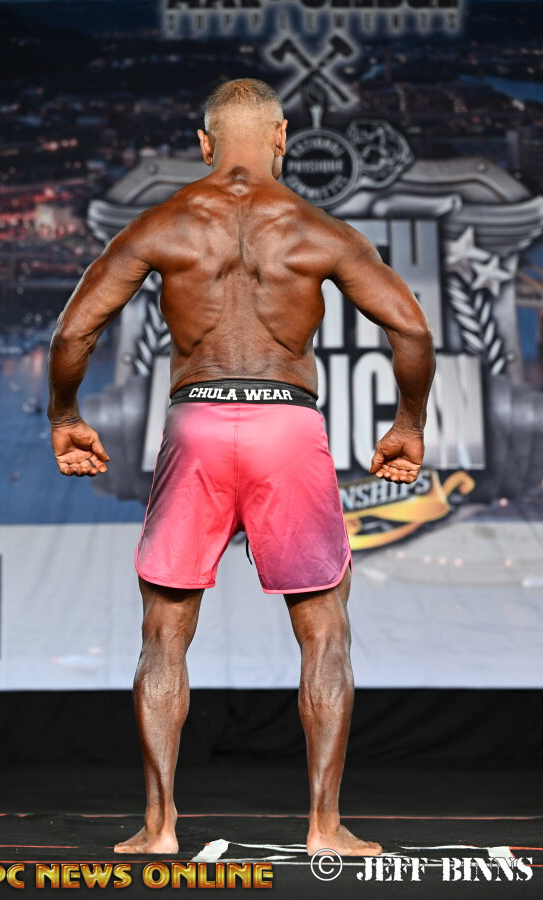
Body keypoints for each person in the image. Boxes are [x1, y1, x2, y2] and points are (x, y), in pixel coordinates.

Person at [47, 78, 435, 857]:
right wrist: (407, 424)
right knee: (324, 632)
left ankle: (160, 827)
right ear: (282, 137)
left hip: (196, 421)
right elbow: (411, 330)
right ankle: (324, 828)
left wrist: (65, 416)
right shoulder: (317, 229)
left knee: (164, 633)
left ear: (204, 143)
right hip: (286, 424)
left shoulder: (162, 223)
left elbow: (75, 332)